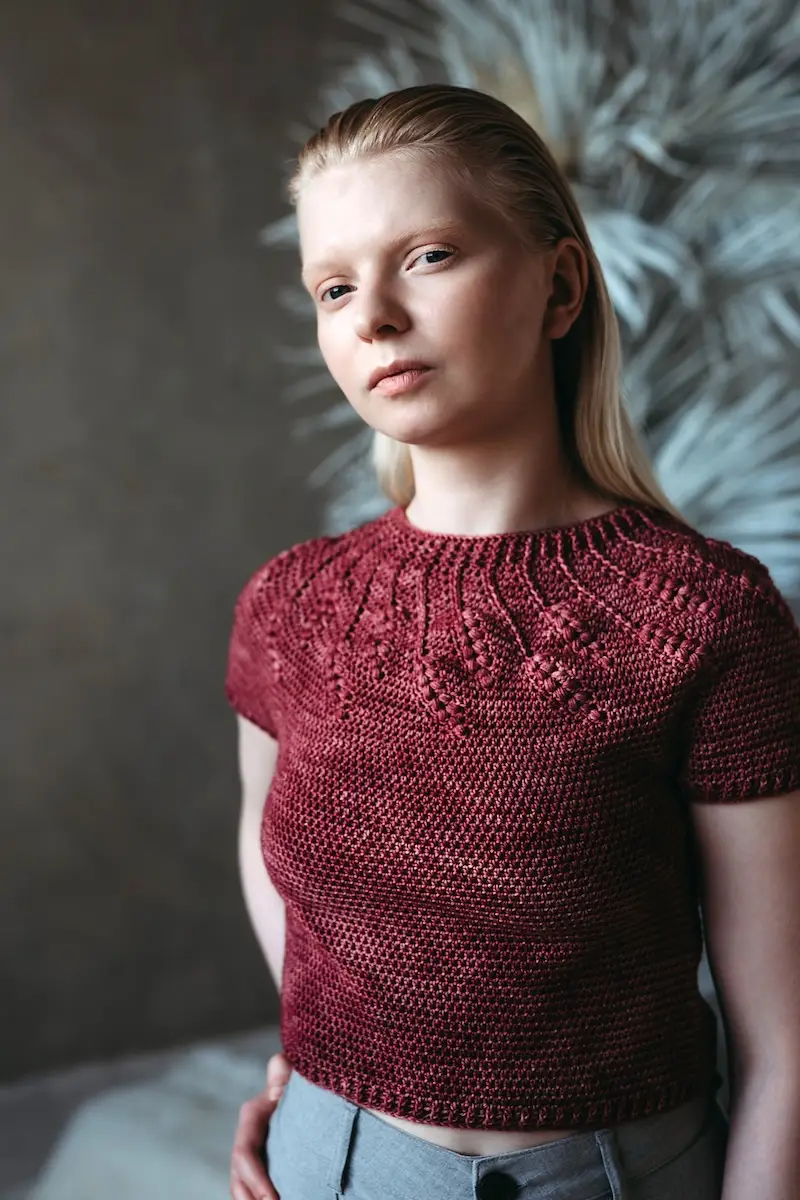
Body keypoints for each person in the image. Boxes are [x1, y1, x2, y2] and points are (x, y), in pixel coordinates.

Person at [226, 84, 800, 1200]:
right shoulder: (290, 605)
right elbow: (263, 837)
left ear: (560, 286)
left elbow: (783, 1038)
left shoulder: (707, 616)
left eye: (428, 257)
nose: (373, 316)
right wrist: (316, 1048)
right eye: (333, 287)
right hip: (326, 1160)